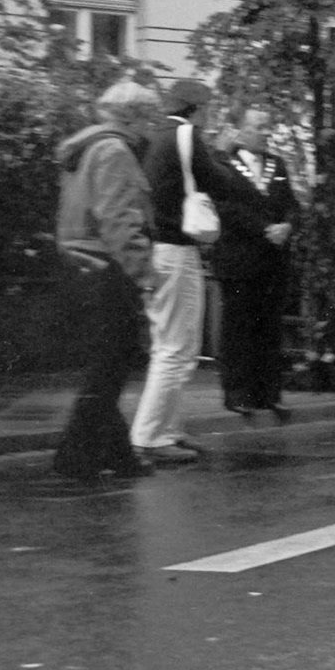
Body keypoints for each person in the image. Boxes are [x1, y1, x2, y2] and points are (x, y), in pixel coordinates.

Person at [51, 80, 160, 481]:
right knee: (109, 367)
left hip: (79, 264)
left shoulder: (85, 150)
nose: (151, 127)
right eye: (148, 117)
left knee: (108, 364)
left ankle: (118, 455)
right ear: (133, 117)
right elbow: (118, 218)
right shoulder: (115, 152)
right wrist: (144, 272)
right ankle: (74, 457)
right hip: (105, 266)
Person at [132, 78, 233, 465]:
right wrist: (222, 157)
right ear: (196, 109)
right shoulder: (185, 136)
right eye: (208, 108)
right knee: (175, 348)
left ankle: (168, 430)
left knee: (175, 346)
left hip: (160, 249)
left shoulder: (156, 138)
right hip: (176, 250)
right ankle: (150, 436)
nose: (210, 117)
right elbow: (220, 181)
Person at [212, 104, 297, 421]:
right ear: (241, 131)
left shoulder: (277, 164)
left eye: (268, 126)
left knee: (269, 327)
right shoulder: (225, 165)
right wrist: (264, 230)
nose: (266, 132)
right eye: (259, 126)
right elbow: (226, 207)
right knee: (238, 327)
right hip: (239, 259)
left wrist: (287, 224)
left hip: (272, 260)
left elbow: (290, 203)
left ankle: (269, 393)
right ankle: (237, 393)